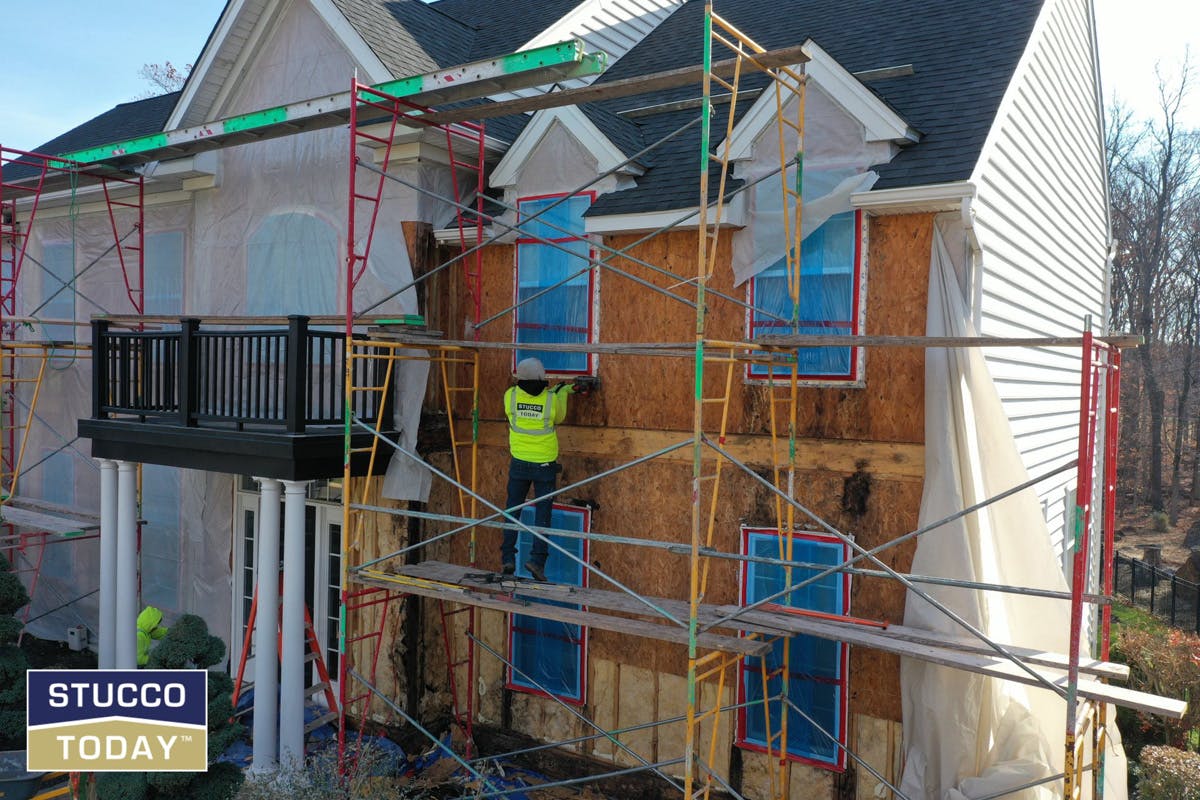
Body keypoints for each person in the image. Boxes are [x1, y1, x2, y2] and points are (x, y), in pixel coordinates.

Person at [501, 357, 595, 581]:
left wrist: (559, 391)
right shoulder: (551, 400)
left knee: (512, 510)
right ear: (542, 378)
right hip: (544, 465)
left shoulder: (510, 396)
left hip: (519, 463)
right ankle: (537, 561)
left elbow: (529, 403)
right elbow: (559, 416)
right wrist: (563, 391)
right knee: (542, 514)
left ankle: (507, 558)